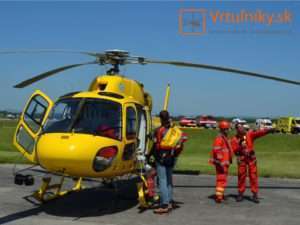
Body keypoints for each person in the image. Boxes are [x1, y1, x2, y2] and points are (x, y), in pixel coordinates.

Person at [231, 123, 274, 203]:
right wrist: (240, 146)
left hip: (251, 159)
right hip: (242, 159)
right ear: (237, 130)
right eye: (240, 128)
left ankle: (255, 194)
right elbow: (234, 150)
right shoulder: (234, 139)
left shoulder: (249, 135)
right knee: (241, 176)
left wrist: (268, 131)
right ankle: (240, 194)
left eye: (242, 127)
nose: (242, 129)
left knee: (253, 176)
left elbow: (259, 133)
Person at [153, 110, 185, 214]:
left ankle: (164, 204)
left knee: (162, 180)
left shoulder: (159, 130)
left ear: (161, 118)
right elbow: (182, 139)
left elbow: (155, 144)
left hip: (161, 157)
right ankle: (170, 201)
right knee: (169, 180)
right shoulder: (174, 129)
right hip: (171, 157)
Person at [209, 120, 233, 203]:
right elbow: (217, 150)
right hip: (221, 164)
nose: (228, 130)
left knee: (223, 180)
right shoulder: (220, 138)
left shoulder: (224, 137)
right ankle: (219, 196)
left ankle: (221, 195)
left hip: (224, 163)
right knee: (221, 179)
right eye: (227, 129)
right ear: (223, 129)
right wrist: (219, 161)